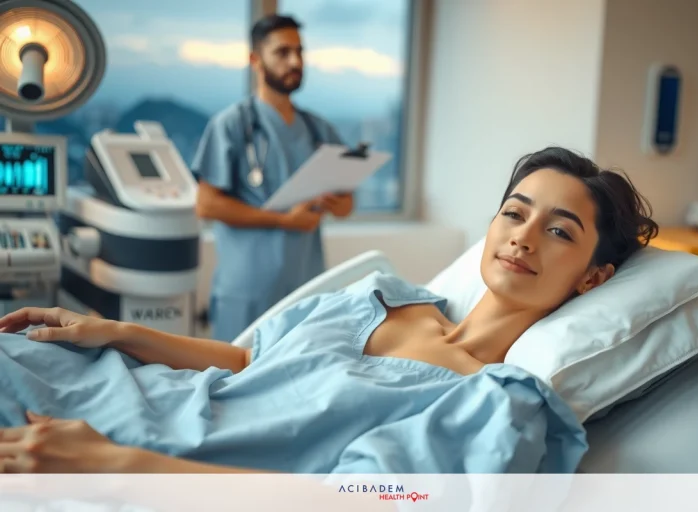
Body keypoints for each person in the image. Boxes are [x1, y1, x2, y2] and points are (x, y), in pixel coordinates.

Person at [0, 147, 658, 474]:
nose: (523, 235)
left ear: (593, 277)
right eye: (515, 213)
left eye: (559, 231)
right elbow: (250, 360)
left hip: (157, 456)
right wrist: (110, 331)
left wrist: (120, 466)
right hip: (129, 390)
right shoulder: (382, 294)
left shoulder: (493, 401)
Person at [192, 14, 354, 342]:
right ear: (255, 60)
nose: (295, 61)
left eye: (299, 51)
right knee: (234, 381)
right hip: (247, 292)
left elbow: (347, 205)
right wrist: (283, 220)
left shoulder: (319, 130)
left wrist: (335, 201)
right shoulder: (232, 125)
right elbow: (207, 205)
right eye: (282, 52)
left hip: (307, 287)